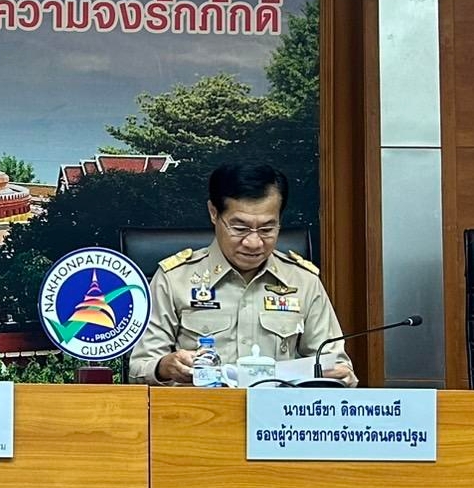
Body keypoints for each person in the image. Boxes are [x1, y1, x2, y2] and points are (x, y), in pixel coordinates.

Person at [131, 164, 352, 386]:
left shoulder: (303, 281)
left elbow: (334, 362)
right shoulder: (174, 279)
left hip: (276, 407)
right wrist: (164, 367)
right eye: (240, 228)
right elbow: (140, 368)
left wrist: (339, 375)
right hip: (198, 407)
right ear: (214, 213)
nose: (254, 243)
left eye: (267, 229)